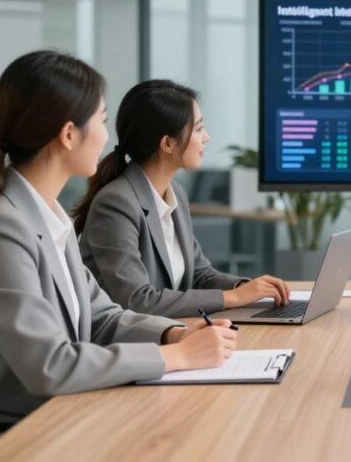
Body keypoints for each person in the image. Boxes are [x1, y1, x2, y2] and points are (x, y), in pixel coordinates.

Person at [0, 51, 236, 431]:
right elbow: (50, 366)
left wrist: (174, 333)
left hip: (70, 413)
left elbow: (103, 317)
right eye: (101, 121)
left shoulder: (50, 217)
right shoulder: (2, 229)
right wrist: (178, 357)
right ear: (69, 134)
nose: (107, 136)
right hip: (22, 432)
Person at [73, 80, 289, 318]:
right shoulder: (116, 203)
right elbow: (136, 300)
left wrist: (245, 288)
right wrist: (232, 298)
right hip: (126, 345)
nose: (206, 137)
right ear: (167, 143)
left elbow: (199, 275)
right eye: (198, 129)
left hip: (174, 331)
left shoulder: (175, 194)